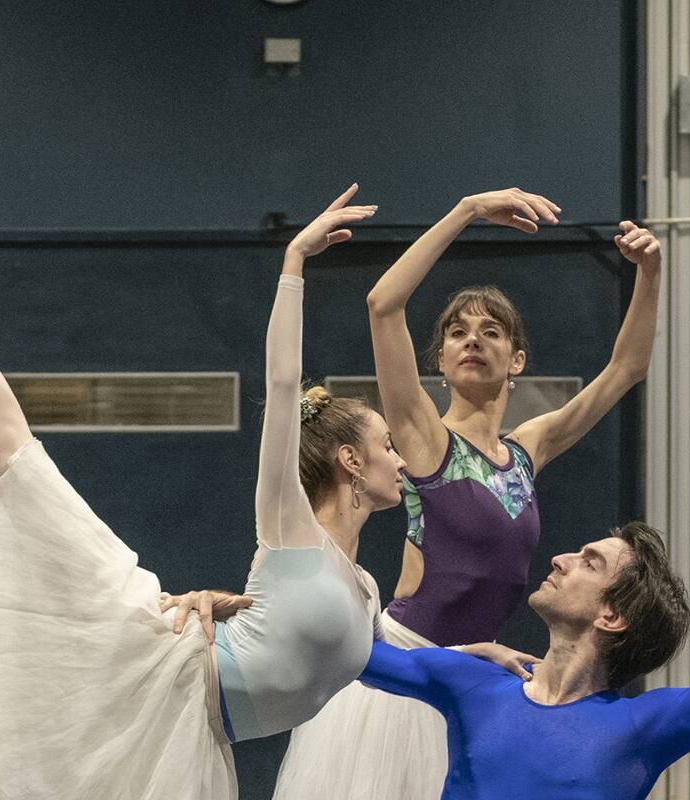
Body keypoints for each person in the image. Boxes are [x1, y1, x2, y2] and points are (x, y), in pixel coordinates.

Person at [0, 169, 405, 799]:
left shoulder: (366, 590)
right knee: (16, 454)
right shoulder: (292, 528)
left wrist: (479, 656)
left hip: (201, 732)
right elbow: (282, 385)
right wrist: (294, 263)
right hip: (159, 668)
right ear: (350, 460)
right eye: (387, 446)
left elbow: (394, 663)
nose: (400, 461)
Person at [276, 188, 663, 799]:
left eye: (490, 332)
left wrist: (649, 271)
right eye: (457, 332)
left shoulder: (527, 449)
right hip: (403, 676)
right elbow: (383, 304)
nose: (472, 340)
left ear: (517, 359)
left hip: (475, 684)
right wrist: (465, 211)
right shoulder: (425, 437)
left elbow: (626, 369)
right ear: (442, 357)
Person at [358, 413, 690, 799]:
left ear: (611, 616)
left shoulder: (641, 729)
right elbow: (351, 654)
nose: (560, 559)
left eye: (589, 562)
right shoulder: (469, 680)